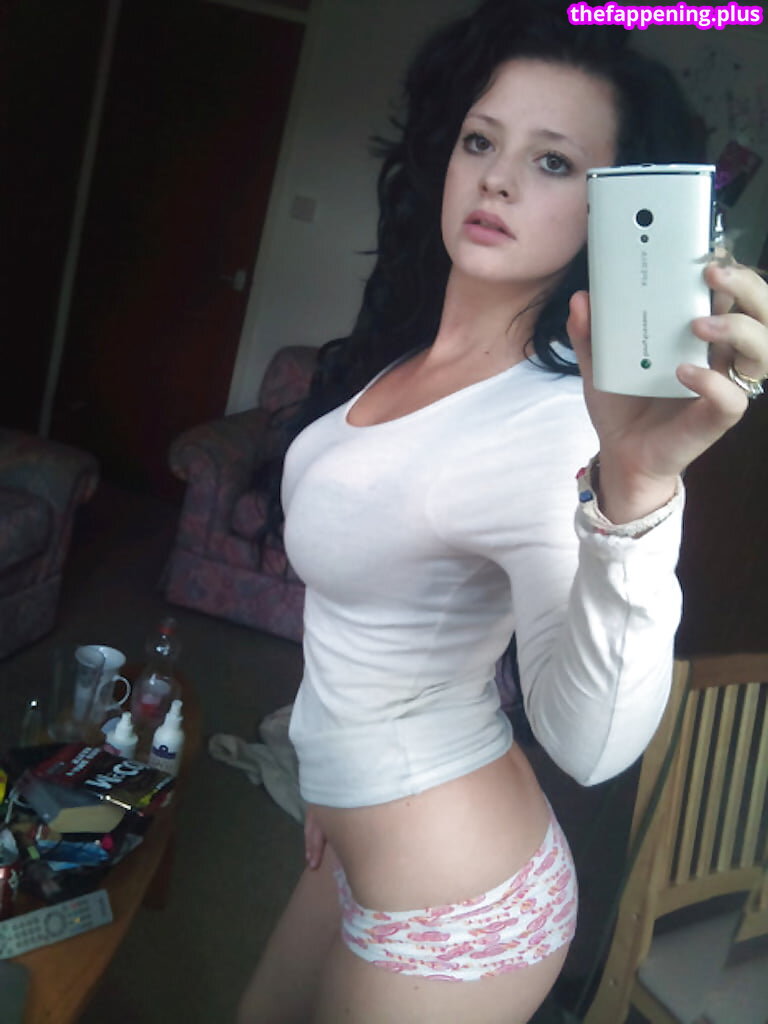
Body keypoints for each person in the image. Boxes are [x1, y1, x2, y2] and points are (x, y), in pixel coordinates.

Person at [238, 2, 768, 1021]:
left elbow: (591, 743)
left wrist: (636, 497)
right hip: (352, 828)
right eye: (482, 141)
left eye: (554, 161)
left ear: (610, 210)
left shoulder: (561, 424)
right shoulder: (408, 351)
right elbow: (367, 629)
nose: (497, 178)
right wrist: (330, 771)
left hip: (457, 912)